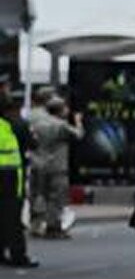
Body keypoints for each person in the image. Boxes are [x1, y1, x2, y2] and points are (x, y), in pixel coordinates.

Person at [26, 95, 82, 239]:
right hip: (57, 166)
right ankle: (53, 227)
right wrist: (78, 121)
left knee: (38, 195)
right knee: (55, 197)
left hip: (38, 163)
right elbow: (79, 135)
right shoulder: (60, 125)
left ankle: (36, 224)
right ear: (60, 110)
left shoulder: (36, 122)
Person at [0, 94, 34, 268]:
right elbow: (32, 143)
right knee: (13, 219)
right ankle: (18, 256)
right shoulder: (17, 125)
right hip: (11, 178)